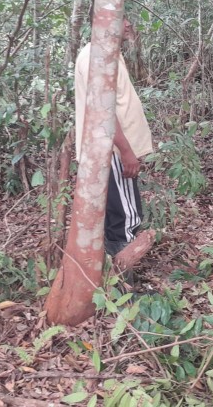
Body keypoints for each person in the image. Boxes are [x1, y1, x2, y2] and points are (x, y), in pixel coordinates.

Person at [74, 17, 153, 257]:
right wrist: (126, 151)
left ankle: (113, 282)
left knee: (114, 218)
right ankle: (122, 286)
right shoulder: (97, 57)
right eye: (121, 18)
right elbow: (103, 111)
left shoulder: (108, 54)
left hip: (112, 149)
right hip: (113, 152)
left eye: (129, 18)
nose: (129, 24)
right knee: (125, 220)